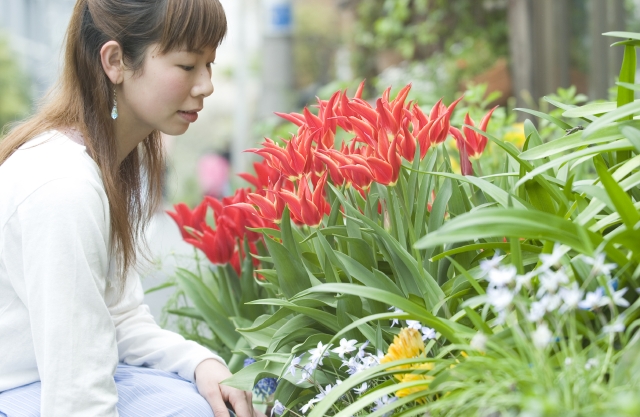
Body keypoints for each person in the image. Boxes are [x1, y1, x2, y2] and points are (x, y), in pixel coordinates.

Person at [0, 1, 265, 416]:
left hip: (43, 381)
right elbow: (76, 393)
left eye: (209, 64)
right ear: (115, 61)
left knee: (209, 400)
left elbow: (118, 317)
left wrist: (201, 363)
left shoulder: (105, 161)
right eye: (187, 65)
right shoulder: (63, 185)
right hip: (22, 390)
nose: (207, 85)